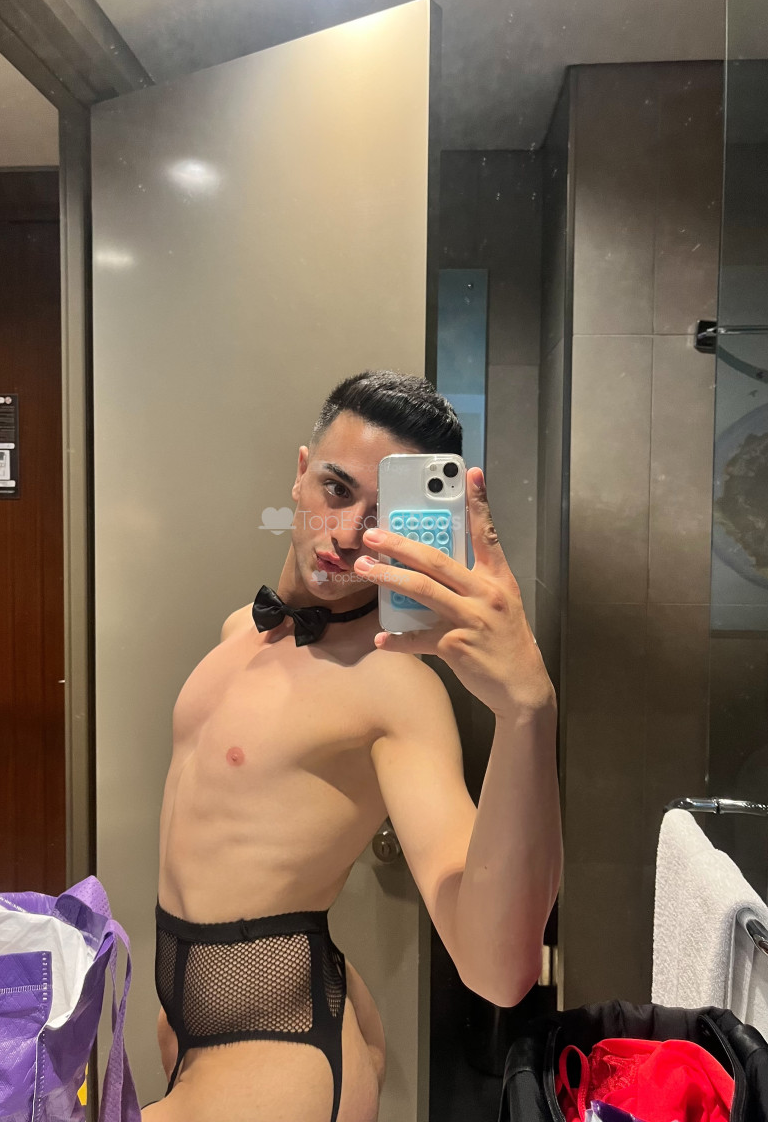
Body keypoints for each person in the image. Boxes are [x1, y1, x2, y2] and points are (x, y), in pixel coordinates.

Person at [141, 369, 562, 1122]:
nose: (345, 535)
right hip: (193, 1030)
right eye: (337, 490)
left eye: (381, 517)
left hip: (278, 1055)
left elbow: (498, 970)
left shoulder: (395, 687)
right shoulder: (242, 630)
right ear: (301, 475)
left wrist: (526, 715)